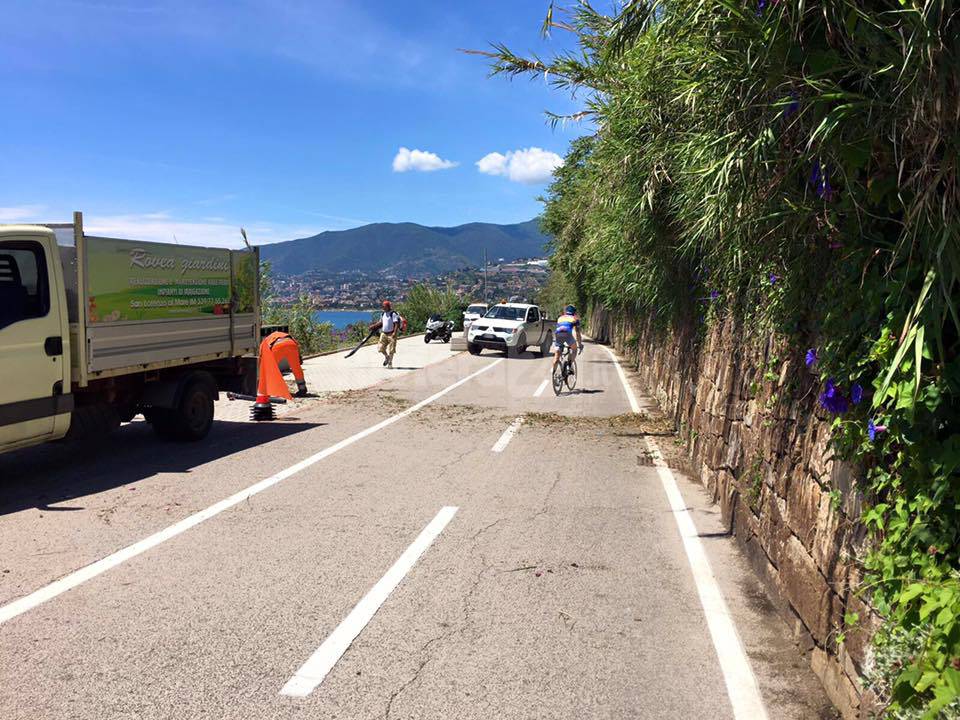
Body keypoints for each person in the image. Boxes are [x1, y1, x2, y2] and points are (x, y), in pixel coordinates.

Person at [552, 304, 583, 374]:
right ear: (574, 313)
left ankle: (554, 373)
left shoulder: (560, 318)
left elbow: (560, 328)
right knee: (574, 349)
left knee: (557, 355)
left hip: (558, 335)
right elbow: (577, 333)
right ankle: (569, 366)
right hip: (567, 335)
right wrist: (580, 344)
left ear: (566, 312)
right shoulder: (575, 319)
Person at [374, 300, 402, 368]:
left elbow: (396, 324)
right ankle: (387, 357)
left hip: (391, 333)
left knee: (391, 349)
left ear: (388, 306)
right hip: (384, 333)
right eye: (382, 306)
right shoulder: (383, 314)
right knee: (380, 348)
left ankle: (390, 363)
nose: (383, 307)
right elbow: (381, 323)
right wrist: (373, 326)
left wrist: (394, 332)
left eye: (384, 306)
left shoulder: (393, 314)